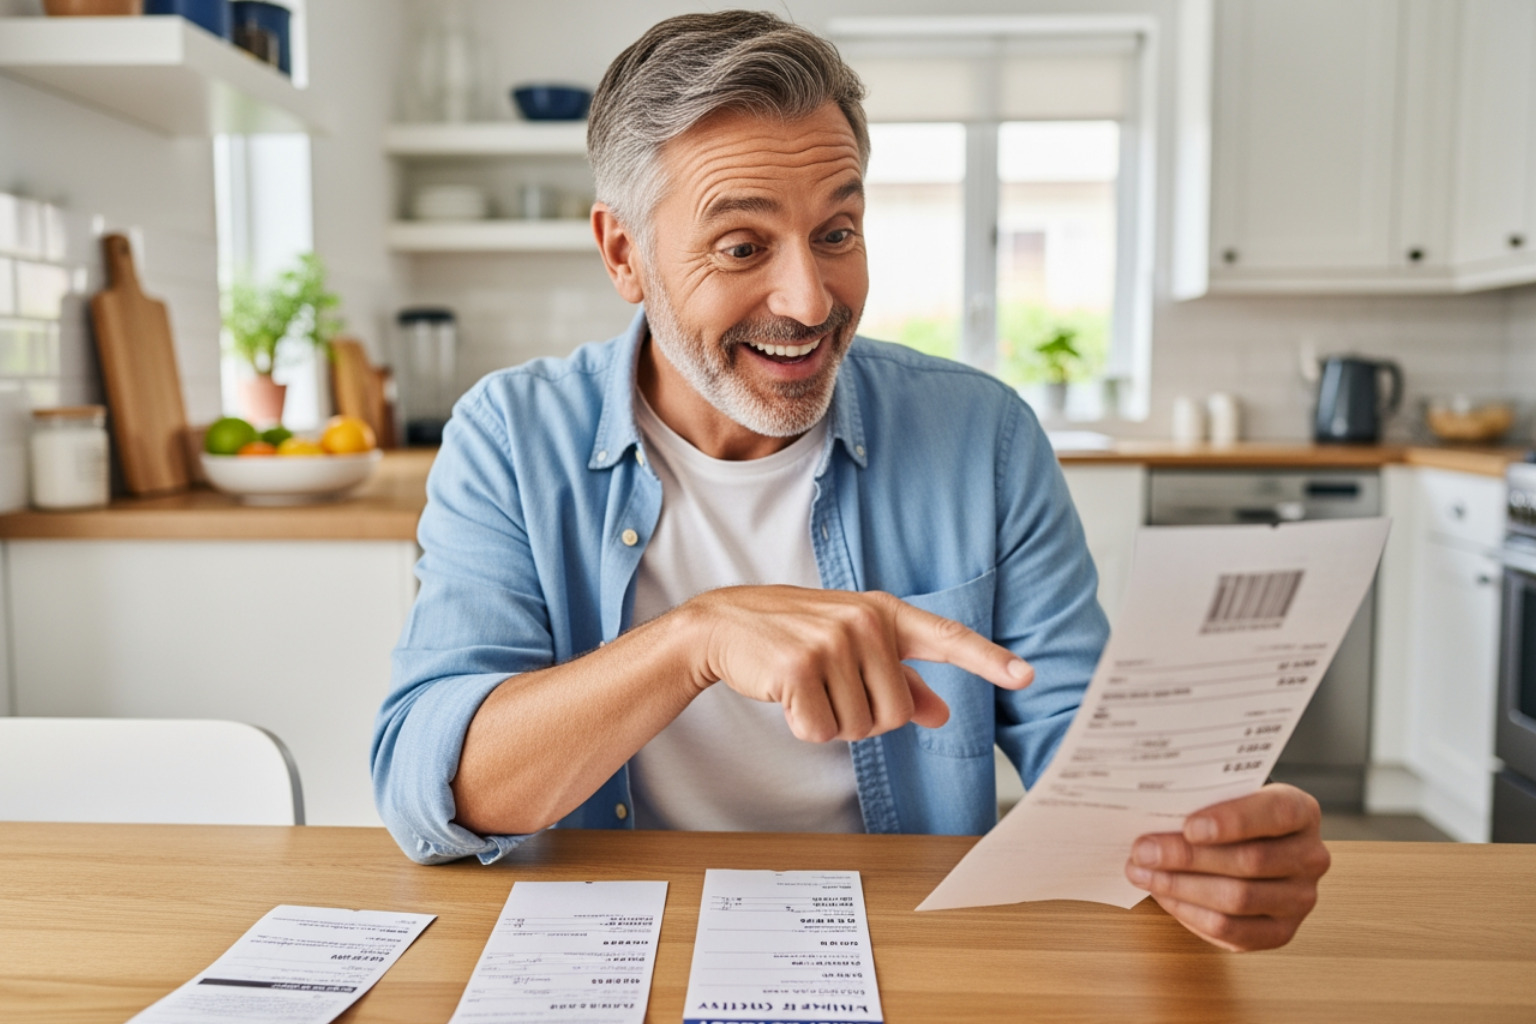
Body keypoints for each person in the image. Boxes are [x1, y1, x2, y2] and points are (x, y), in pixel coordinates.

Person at [373, 10, 1330, 953]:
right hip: (613, 948)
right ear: (624, 253)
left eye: (837, 232)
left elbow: (1092, 759)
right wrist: (694, 640)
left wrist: (1210, 848)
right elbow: (432, 785)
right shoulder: (509, 435)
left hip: (902, 944)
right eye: (744, 247)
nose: (811, 300)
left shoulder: (981, 434)